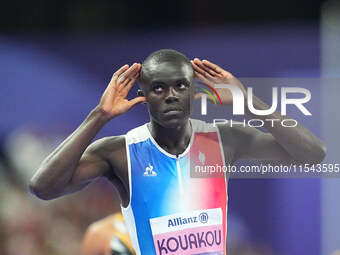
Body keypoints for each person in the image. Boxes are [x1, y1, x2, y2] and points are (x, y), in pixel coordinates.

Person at [29, 49, 326, 255]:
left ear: (195, 91)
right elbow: (42, 187)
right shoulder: (119, 152)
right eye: (158, 88)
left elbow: (314, 154)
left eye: (181, 86)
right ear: (142, 96)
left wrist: (247, 101)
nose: (171, 96)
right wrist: (100, 116)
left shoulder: (224, 140)